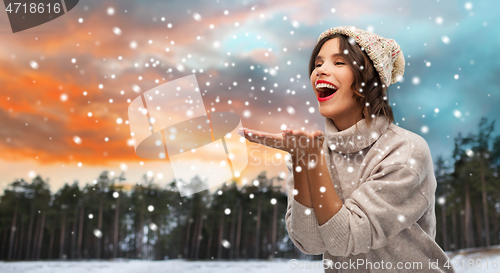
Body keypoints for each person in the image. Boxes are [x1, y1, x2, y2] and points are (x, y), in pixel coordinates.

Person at [238, 26, 455, 272]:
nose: (321, 70)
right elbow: (308, 243)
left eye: (339, 62)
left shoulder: (404, 152)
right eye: (317, 64)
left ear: (370, 79)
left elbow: (345, 239)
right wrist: (301, 161)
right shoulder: (310, 151)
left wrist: (311, 160)